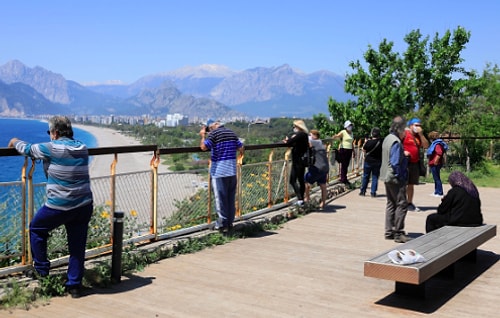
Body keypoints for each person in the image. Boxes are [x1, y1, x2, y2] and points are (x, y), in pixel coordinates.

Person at [8, 116, 94, 298]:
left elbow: (28, 149)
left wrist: (14, 141)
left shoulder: (51, 147)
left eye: (50, 133)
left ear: (54, 132)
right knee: (77, 245)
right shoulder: (82, 147)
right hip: (84, 204)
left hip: (60, 205)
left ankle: (42, 272)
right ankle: (74, 285)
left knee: (37, 228)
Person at [200, 119, 244, 233]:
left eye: (210, 129)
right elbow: (241, 148)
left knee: (220, 199)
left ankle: (222, 223)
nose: (210, 131)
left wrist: (203, 136)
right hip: (232, 170)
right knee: (230, 198)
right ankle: (229, 222)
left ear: (214, 125)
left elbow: (203, 147)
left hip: (219, 171)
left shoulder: (214, 134)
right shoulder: (231, 133)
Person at [380, 116, 410, 243]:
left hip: (386, 176)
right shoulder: (396, 142)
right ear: (400, 129)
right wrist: (401, 176)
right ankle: (398, 233)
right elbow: (395, 162)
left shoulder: (387, 138)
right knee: (402, 204)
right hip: (395, 177)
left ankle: (388, 231)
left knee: (391, 203)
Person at [402, 118, 429, 211]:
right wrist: (403, 151)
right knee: (402, 184)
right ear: (411, 126)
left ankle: (409, 203)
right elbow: (396, 145)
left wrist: (421, 134)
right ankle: (400, 203)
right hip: (405, 162)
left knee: (411, 184)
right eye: (416, 125)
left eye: (419, 125)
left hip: (414, 163)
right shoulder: (405, 133)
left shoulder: (419, 137)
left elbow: (426, 146)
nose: (418, 127)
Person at [282, 119, 309, 205]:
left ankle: (300, 199)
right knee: (301, 179)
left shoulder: (300, 134)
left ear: (298, 127)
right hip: (302, 161)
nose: (294, 128)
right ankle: (301, 199)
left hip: (298, 161)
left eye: (294, 126)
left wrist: (288, 140)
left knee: (292, 180)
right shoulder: (305, 135)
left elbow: (289, 142)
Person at [304, 129, 329, 209]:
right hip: (325, 167)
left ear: (315, 136)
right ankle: (323, 203)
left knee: (306, 180)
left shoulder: (316, 142)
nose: (310, 136)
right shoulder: (321, 143)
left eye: (311, 135)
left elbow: (306, 141)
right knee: (323, 185)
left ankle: (307, 198)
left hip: (317, 167)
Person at [359, 127, 382, 197]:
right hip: (377, 161)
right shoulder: (381, 142)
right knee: (375, 177)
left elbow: (363, 149)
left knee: (365, 176)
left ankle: (363, 191)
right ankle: (373, 192)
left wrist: (366, 141)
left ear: (372, 134)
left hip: (368, 161)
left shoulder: (368, 142)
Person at [333, 120, 354, 185]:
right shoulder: (343, 132)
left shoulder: (352, 133)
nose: (350, 127)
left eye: (351, 125)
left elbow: (352, 142)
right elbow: (337, 136)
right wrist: (334, 137)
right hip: (344, 149)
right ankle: (343, 178)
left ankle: (344, 177)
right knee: (344, 164)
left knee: (346, 164)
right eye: (349, 126)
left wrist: (353, 151)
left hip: (349, 150)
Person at [427, 131, 448, 197]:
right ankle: (436, 191)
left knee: (437, 178)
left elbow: (439, 153)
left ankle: (440, 192)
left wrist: (436, 161)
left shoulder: (437, 144)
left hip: (435, 163)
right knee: (435, 178)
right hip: (434, 163)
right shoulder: (436, 144)